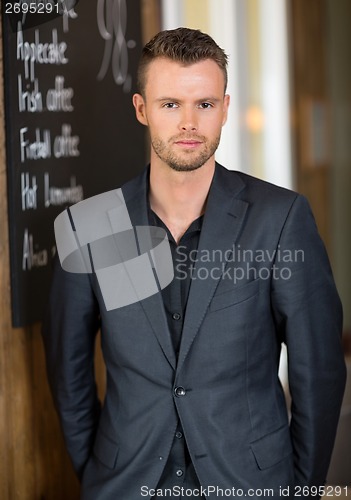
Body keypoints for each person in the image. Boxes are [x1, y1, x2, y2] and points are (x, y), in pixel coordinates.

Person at [42, 27, 346, 499]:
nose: (189, 123)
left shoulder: (280, 219)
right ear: (142, 109)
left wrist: (300, 488)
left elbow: (320, 369)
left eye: (203, 104)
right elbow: (68, 370)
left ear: (225, 108)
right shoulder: (90, 227)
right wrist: (100, 470)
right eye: (170, 104)